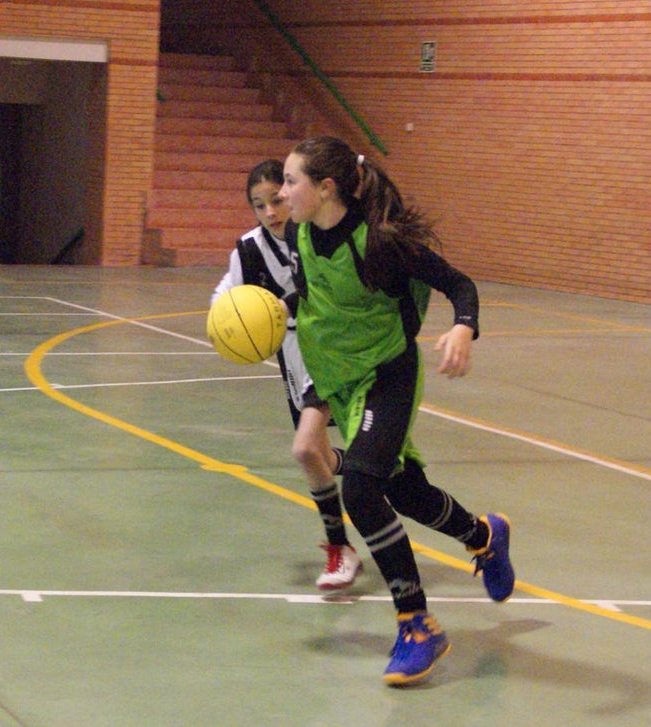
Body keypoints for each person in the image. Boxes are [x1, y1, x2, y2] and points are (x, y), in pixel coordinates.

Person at [277, 136, 514, 686]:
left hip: (386, 374)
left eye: (292, 182)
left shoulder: (380, 242)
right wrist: (275, 308)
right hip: (337, 375)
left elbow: (459, 284)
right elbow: (314, 294)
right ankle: (483, 535)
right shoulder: (302, 232)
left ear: (326, 188)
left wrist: (463, 326)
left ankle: (417, 624)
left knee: (360, 485)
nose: (283, 193)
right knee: (403, 491)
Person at [212, 160, 361, 591]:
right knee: (315, 454)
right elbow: (227, 297)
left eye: (276, 200)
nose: (270, 212)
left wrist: (285, 305)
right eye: (259, 206)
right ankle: (361, 481)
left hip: (330, 343)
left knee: (304, 450)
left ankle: (340, 547)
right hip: (293, 353)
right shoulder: (248, 249)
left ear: (292, 193)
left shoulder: (314, 233)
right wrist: (224, 324)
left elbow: (321, 289)